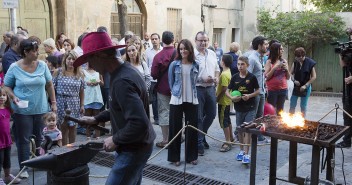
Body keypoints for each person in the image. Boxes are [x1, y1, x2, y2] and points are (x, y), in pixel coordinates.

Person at [73, 32, 155, 185]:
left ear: (101, 55)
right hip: (135, 146)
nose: (89, 65)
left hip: (134, 148)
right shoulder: (122, 73)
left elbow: (139, 123)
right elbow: (119, 108)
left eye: (90, 58)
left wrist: (115, 139)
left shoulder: (122, 80)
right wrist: (96, 118)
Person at [4, 39, 56, 178]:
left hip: (41, 108)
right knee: (24, 139)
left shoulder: (43, 66)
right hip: (22, 111)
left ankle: (39, 162)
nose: (37, 53)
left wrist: (54, 102)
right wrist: (13, 96)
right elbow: (6, 86)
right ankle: (24, 166)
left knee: (40, 137)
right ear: (25, 52)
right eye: (34, 50)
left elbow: (49, 85)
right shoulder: (14, 67)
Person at [168, 39, 199, 166]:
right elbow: (171, 81)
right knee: (175, 128)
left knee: (192, 129)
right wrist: (175, 92)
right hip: (177, 98)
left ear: (189, 50)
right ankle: (174, 157)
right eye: (180, 49)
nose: (183, 51)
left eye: (185, 48)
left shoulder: (195, 64)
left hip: (192, 99)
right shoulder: (174, 64)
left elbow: (195, 81)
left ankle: (191, 157)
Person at [226, 56, 259, 164]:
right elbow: (227, 90)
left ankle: (246, 154)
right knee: (240, 130)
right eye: (238, 64)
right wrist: (231, 98)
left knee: (247, 130)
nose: (240, 66)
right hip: (238, 108)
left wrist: (249, 95)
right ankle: (241, 150)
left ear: (247, 65)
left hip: (250, 108)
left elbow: (258, 91)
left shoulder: (252, 77)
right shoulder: (235, 77)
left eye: (242, 64)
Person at [194, 31, 220, 155]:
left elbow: (217, 69)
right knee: (198, 117)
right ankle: (198, 144)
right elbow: (189, 74)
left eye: (205, 40)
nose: (203, 42)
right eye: (201, 40)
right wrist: (201, 79)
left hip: (210, 89)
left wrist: (217, 78)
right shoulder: (192, 55)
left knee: (211, 114)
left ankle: (201, 135)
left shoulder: (212, 54)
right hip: (198, 89)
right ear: (196, 41)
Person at [53, 50, 85, 145]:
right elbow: (51, 89)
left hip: (74, 102)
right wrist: (53, 103)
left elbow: (82, 91)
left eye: (74, 59)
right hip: (61, 101)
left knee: (73, 128)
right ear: (65, 60)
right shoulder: (58, 72)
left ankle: (72, 149)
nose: (71, 61)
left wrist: (82, 105)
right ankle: (64, 151)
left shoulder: (80, 74)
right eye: (69, 58)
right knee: (63, 128)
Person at [151, 31, 175, 148]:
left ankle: (166, 140)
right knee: (179, 113)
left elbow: (154, 74)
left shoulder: (158, 56)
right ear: (173, 39)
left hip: (163, 89)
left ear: (162, 41)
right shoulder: (179, 54)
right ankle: (179, 136)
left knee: (164, 113)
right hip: (178, 90)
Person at [247, 36, 269, 143]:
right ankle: (245, 136)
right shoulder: (252, 58)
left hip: (262, 91)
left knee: (260, 116)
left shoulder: (261, 57)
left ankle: (259, 136)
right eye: (265, 44)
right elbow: (248, 76)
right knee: (252, 116)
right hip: (255, 93)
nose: (267, 46)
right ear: (259, 45)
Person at [0, 88, 21, 184]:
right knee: (0, 160)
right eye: (0, 96)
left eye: (4, 95)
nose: (2, 97)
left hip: (6, 139)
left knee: (7, 159)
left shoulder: (7, 108)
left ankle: (7, 176)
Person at [289, 47, 316, 117]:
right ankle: (290, 121)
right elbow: (290, 74)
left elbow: (314, 77)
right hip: (296, 87)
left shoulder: (310, 63)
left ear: (303, 55)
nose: (298, 59)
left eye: (300, 58)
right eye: (297, 58)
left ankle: (303, 122)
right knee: (292, 104)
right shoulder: (295, 62)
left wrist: (305, 85)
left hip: (306, 87)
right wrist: (294, 80)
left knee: (303, 106)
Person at [264, 42, 290, 114]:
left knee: (280, 110)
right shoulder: (269, 62)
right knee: (272, 110)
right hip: (272, 90)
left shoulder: (284, 61)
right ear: (275, 50)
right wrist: (274, 68)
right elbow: (266, 77)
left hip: (283, 89)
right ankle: (272, 124)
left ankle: (279, 124)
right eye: (280, 49)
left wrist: (287, 70)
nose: (282, 50)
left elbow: (288, 77)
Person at [216, 54, 235, 152]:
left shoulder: (224, 74)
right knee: (227, 120)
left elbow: (224, 88)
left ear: (223, 62)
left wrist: (217, 98)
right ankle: (231, 137)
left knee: (223, 121)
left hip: (223, 101)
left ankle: (228, 141)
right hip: (227, 101)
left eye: (220, 60)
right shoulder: (227, 72)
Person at [336, 49, 352, 148]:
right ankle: (347, 140)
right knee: (347, 116)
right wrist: (340, 54)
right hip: (348, 92)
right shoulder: (349, 52)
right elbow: (343, 65)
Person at [83, 63, 104, 140]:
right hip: (87, 97)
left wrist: (98, 82)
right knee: (87, 118)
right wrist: (87, 83)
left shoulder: (98, 71)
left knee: (97, 118)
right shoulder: (83, 72)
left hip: (96, 97)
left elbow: (102, 83)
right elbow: (81, 82)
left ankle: (97, 136)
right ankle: (88, 136)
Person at [145, 33, 163, 125]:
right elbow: (147, 65)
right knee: (154, 99)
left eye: (156, 39)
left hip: (162, 79)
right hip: (152, 79)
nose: (154, 41)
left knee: (162, 98)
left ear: (159, 40)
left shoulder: (163, 50)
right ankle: (156, 118)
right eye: (152, 39)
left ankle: (162, 116)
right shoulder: (148, 51)